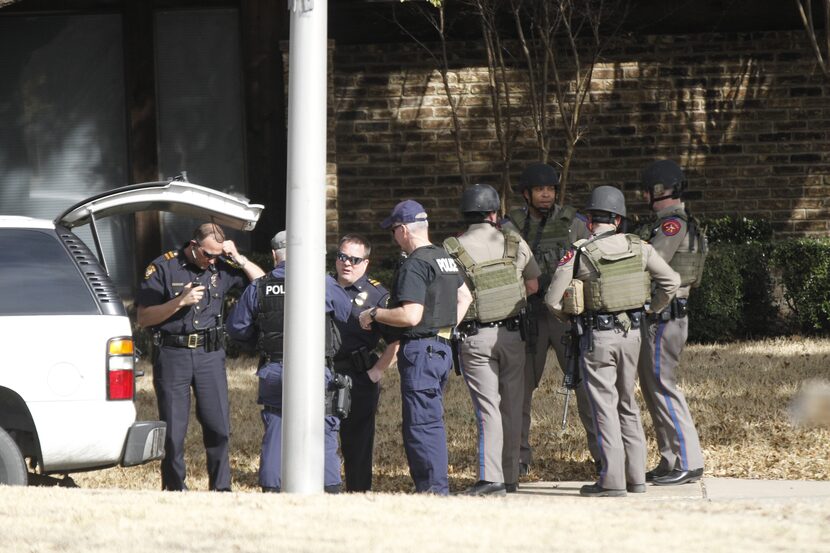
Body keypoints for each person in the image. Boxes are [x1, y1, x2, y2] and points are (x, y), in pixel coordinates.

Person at [545, 186, 680, 497]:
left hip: (598, 337)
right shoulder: (640, 246)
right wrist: (652, 308)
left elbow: (553, 299)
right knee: (627, 403)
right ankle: (636, 478)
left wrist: (571, 319)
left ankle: (612, 480)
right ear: (619, 220)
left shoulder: (580, 251)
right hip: (632, 334)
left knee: (604, 405)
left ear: (591, 220)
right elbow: (671, 281)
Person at [136, 222, 265, 491]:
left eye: (217, 255)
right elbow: (144, 317)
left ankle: (221, 488)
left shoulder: (221, 266)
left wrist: (238, 258)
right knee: (173, 430)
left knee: (218, 426)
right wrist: (179, 302)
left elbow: (262, 283)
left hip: (209, 355)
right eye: (208, 254)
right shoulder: (163, 266)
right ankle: (175, 488)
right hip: (173, 354)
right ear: (193, 246)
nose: (211, 260)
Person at [358, 200, 473, 495]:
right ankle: (434, 486)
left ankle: (433, 490)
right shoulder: (444, 257)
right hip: (442, 350)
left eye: (394, 230)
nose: (394, 236)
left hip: (421, 352)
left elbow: (410, 315)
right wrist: (445, 329)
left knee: (421, 425)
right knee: (430, 419)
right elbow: (466, 298)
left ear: (404, 230)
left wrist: (374, 314)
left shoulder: (415, 264)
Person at [225, 231, 351, 493]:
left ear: (274, 255)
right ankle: (330, 488)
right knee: (324, 426)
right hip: (315, 370)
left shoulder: (259, 287)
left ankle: (272, 490)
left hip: (275, 367)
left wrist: (259, 339)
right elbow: (345, 311)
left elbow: (237, 328)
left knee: (276, 428)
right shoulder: (320, 282)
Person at [443, 184, 540, 496]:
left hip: (476, 338)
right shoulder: (513, 241)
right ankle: (510, 476)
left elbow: (448, 295)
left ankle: (490, 478)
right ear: (494, 213)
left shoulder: (452, 248)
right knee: (513, 407)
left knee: (488, 409)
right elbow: (534, 284)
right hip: (513, 335)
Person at [502, 162, 597, 475]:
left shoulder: (574, 223)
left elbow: (593, 261)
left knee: (586, 387)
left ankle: (603, 456)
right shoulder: (512, 225)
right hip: (531, 314)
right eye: (540, 190)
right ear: (527, 194)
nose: (546, 195)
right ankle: (517, 460)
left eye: (551, 189)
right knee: (520, 389)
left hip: (568, 314)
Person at [637, 160, 706, 486]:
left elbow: (652, 262)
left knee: (664, 387)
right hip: (666, 316)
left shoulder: (671, 226)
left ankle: (688, 461)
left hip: (665, 316)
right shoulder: (678, 222)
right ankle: (670, 458)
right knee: (654, 391)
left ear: (658, 191)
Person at [332, 233, 399, 492]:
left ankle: (358, 494)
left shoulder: (377, 295)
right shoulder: (321, 286)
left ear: (366, 263)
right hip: (323, 372)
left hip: (358, 376)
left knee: (357, 444)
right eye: (342, 257)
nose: (346, 263)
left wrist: (376, 371)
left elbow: (395, 342)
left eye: (354, 259)